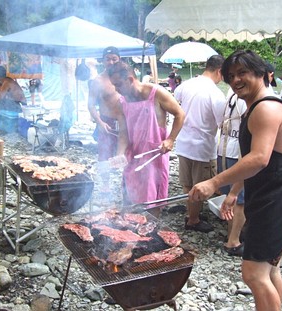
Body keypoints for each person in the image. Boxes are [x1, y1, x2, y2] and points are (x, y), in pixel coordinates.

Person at [188, 50, 282, 311]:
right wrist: (234, 192)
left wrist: (214, 183)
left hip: (275, 201)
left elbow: (260, 158)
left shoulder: (267, 108)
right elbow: (250, 159)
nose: (236, 80)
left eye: (242, 73)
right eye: (230, 76)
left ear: (261, 73)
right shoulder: (255, 107)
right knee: (269, 270)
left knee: (253, 274)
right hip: (270, 197)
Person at [108, 61, 185, 204]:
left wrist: (170, 140)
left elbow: (180, 114)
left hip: (154, 153)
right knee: (129, 194)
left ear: (130, 79)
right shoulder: (122, 101)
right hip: (133, 152)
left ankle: (151, 225)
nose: (116, 89)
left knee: (151, 198)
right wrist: (119, 154)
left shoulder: (156, 93)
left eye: (118, 85)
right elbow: (124, 132)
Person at [174, 55, 226, 233]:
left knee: (187, 183)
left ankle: (192, 212)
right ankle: (193, 220)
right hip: (202, 146)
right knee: (200, 185)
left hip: (183, 142)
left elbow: (176, 100)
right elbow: (222, 123)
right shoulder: (217, 94)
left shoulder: (187, 84)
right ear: (219, 71)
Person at [87, 46, 128, 203]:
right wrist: (99, 122)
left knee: (127, 153)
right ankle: (105, 185)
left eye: (114, 58)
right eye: (108, 58)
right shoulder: (98, 81)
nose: (111, 61)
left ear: (119, 59)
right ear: (103, 61)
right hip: (107, 122)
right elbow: (90, 105)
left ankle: (127, 183)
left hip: (125, 120)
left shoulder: (125, 77)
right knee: (104, 154)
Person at [217, 86, 247, 256]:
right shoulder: (245, 98)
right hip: (236, 153)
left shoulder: (230, 94)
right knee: (238, 200)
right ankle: (233, 241)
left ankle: (230, 235)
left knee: (230, 197)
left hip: (224, 149)